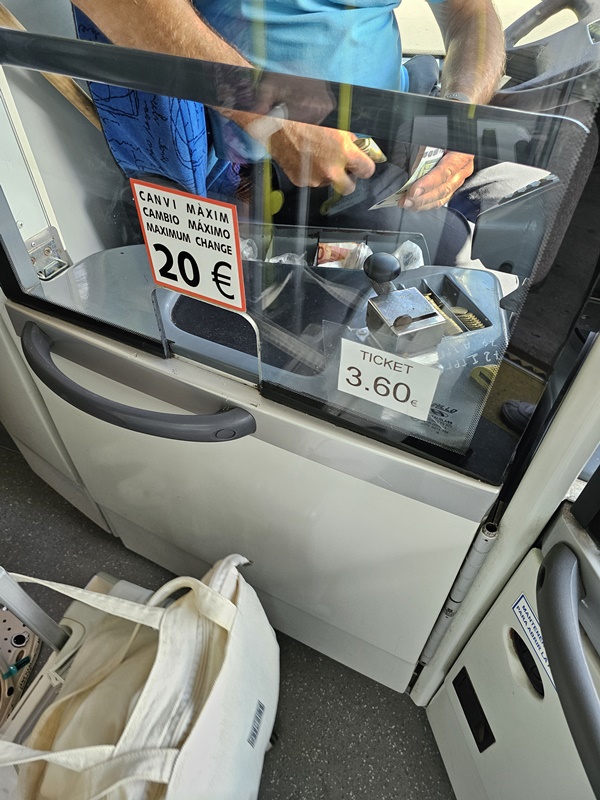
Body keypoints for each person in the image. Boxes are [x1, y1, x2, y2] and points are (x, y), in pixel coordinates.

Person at [71, 0, 504, 210]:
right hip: (257, 174)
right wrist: (271, 118)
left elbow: (471, 14)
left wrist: (458, 111)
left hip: (394, 134)